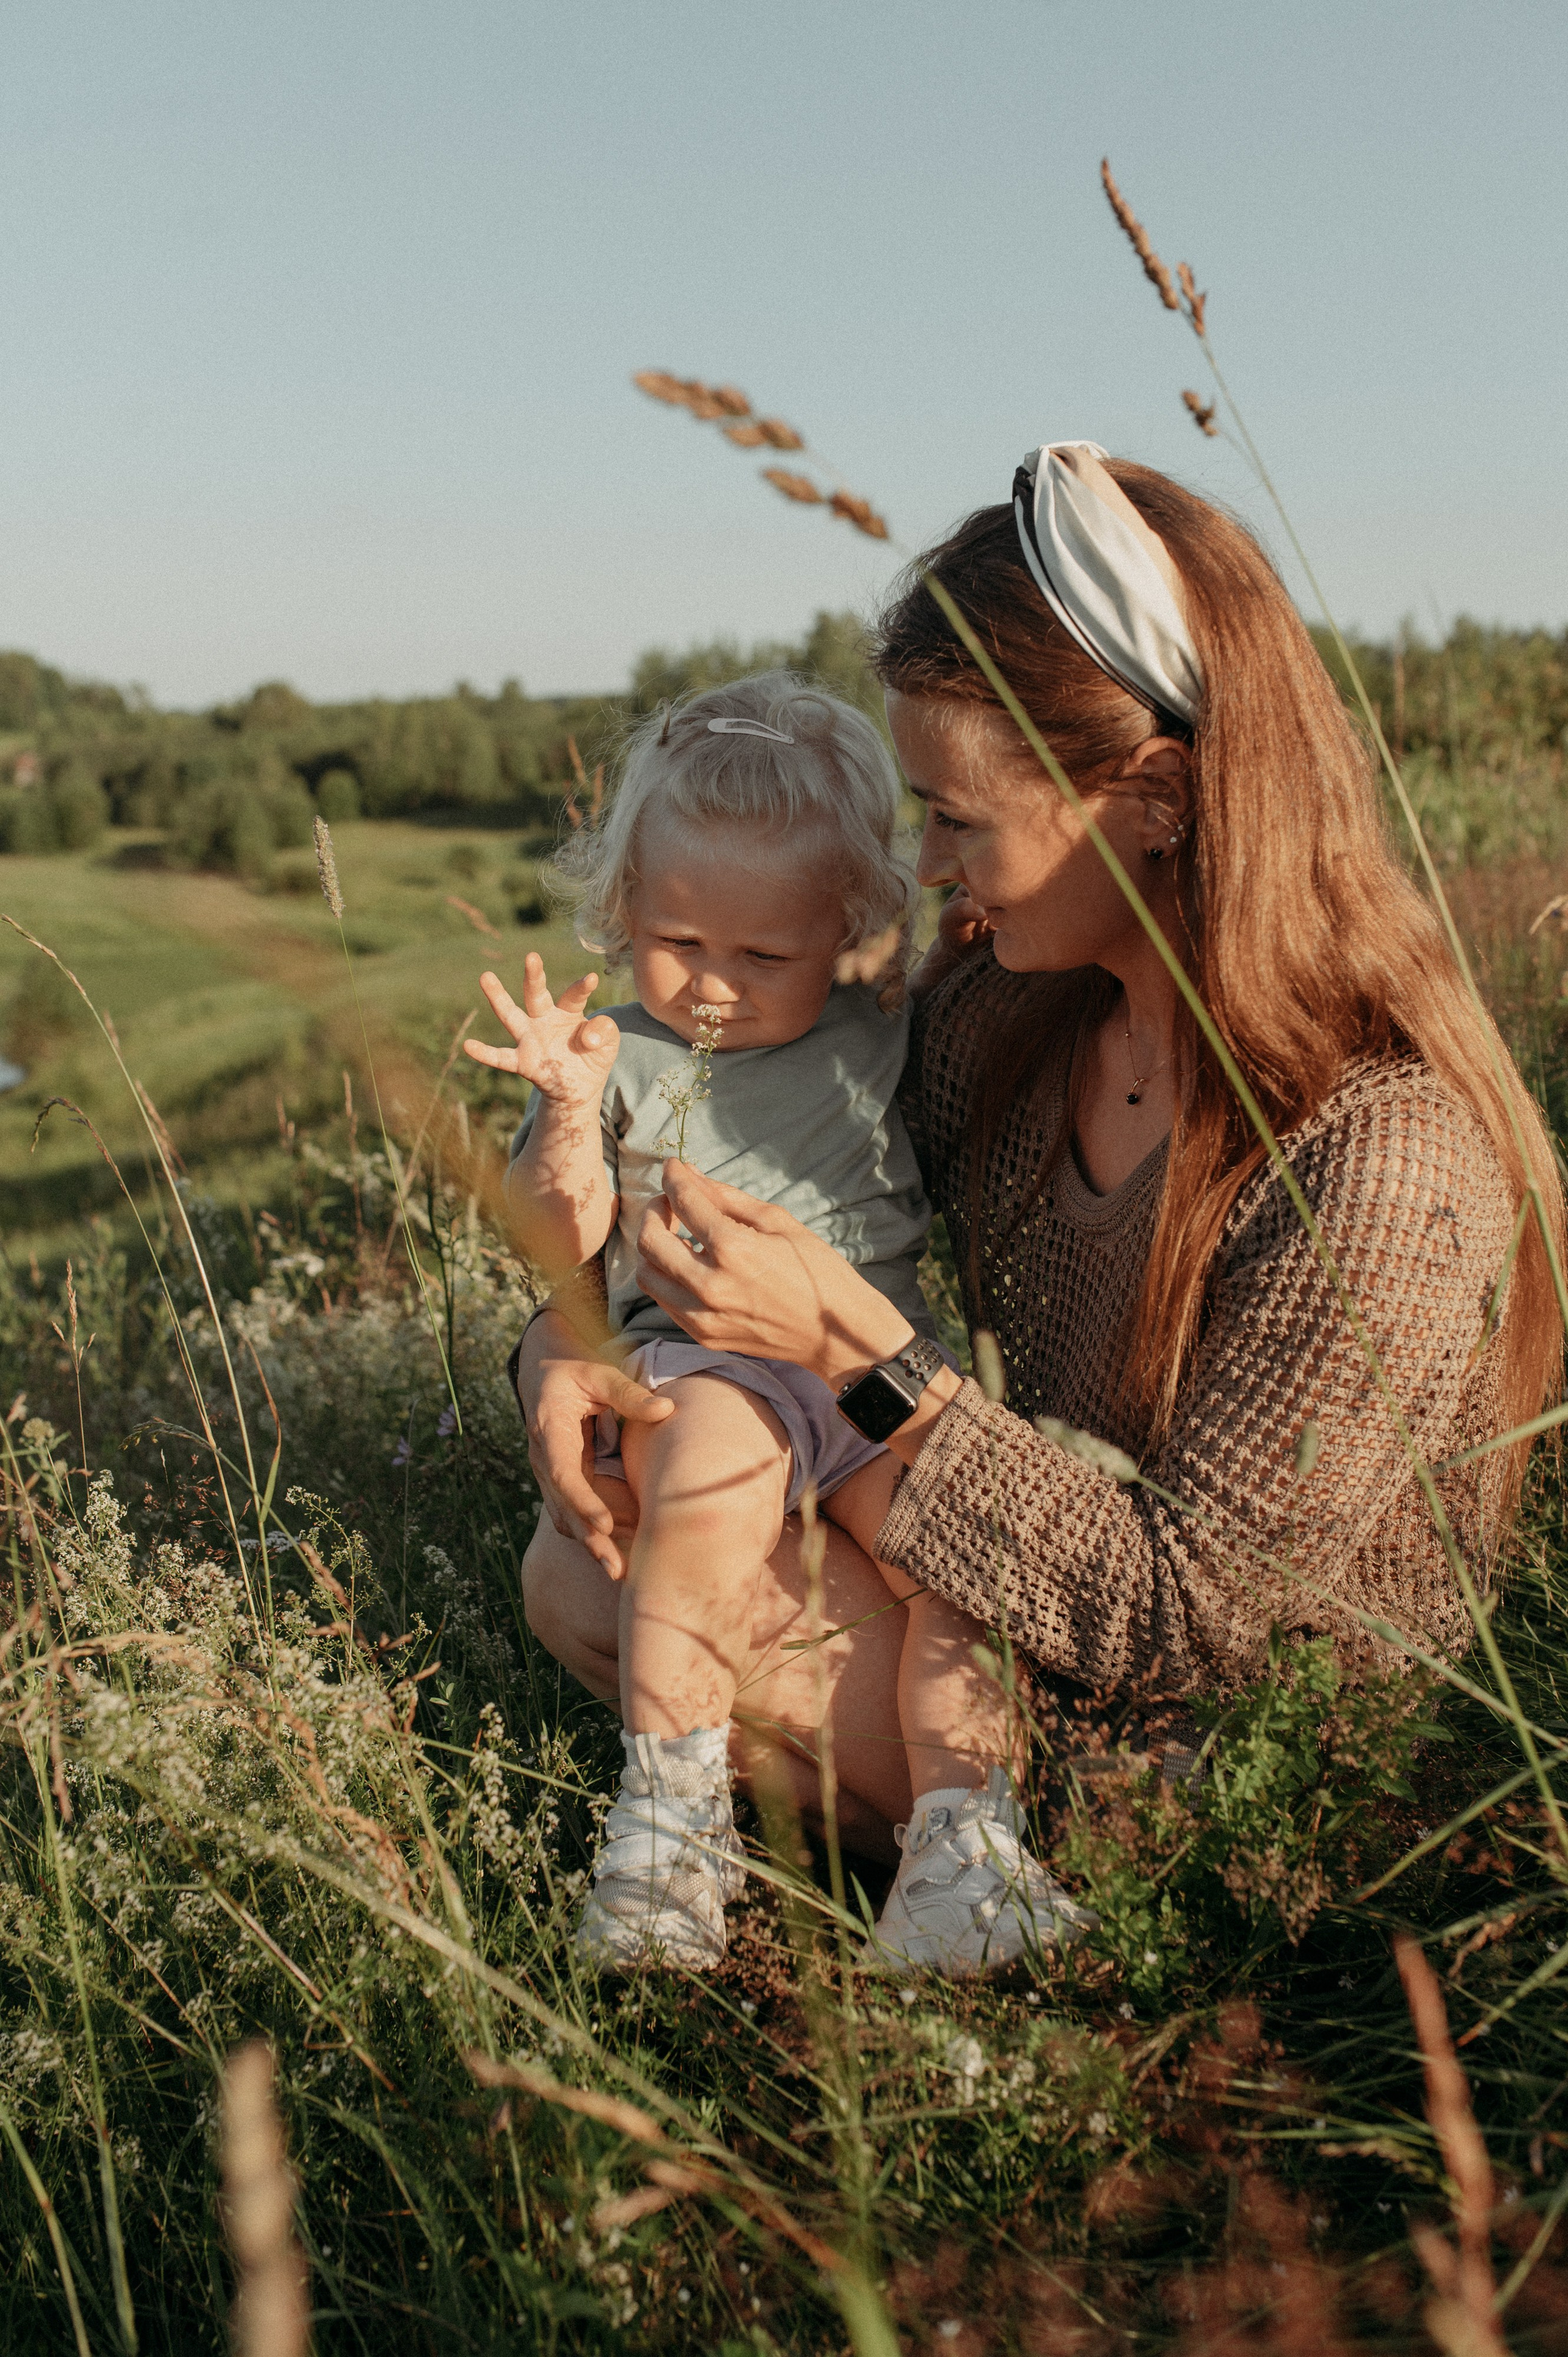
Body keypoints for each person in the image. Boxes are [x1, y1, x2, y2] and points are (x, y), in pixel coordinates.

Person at [515, 440, 1564, 1976]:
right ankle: (936, 1883)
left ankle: (1010, 1895)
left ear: (1151, 798)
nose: (928, 869)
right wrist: (560, 1351)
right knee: (589, 1557)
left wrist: (854, 1357)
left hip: (1230, 1759)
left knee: (634, 1577)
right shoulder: (1012, 1017)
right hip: (1011, 1637)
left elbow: (1193, 1617)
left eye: (957, 817)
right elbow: (753, 1176)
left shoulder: (1378, 1160)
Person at [470, 672, 1082, 1972]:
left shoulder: (878, 1030)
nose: (712, 986)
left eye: (764, 958)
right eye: (678, 940)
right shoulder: (619, 1055)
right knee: (702, 1511)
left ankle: (964, 1847)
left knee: (959, 1569)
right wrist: (566, 1112)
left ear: (844, 934)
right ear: (625, 906)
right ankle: (670, 1827)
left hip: (875, 1369)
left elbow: (962, 959)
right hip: (706, 1365)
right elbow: (554, 1234)